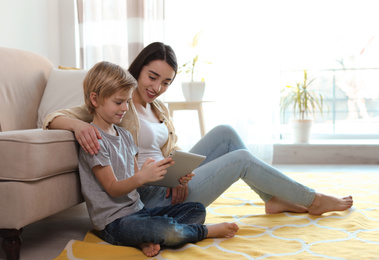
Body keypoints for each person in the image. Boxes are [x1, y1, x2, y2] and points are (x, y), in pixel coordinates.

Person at [44, 42, 353, 216]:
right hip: (147, 194)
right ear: (137, 69)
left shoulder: (158, 108)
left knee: (226, 132)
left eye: (166, 82)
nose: (157, 87)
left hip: (169, 180)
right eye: (152, 77)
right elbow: (52, 115)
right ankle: (312, 200)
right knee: (242, 159)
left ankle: (272, 198)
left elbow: (166, 151)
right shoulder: (118, 103)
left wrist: (180, 173)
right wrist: (76, 126)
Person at [78, 61, 239, 257]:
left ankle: (145, 239)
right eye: (119, 102)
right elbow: (112, 187)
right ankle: (204, 232)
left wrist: (158, 175)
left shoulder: (125, 135)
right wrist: (141, 177)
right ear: (95, 99)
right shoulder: (94, 141)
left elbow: (135, 180)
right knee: (164, 229)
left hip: (139, 211)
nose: (125, 108)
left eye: (128, 102)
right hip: (114, 222)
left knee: (197, 210)